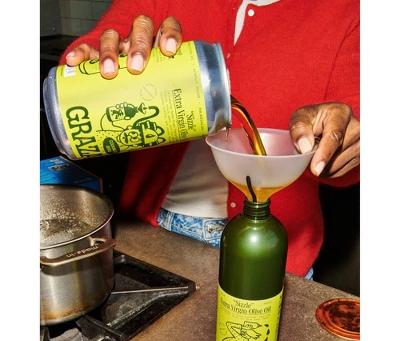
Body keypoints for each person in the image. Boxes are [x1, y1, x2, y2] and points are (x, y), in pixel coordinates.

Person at [59, 0, 360, 279]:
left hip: (277, 250)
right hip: (154, 234)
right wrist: (97, 64)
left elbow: (355, 122)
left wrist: (343, 140)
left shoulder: (348, 10)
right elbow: (94, 48)